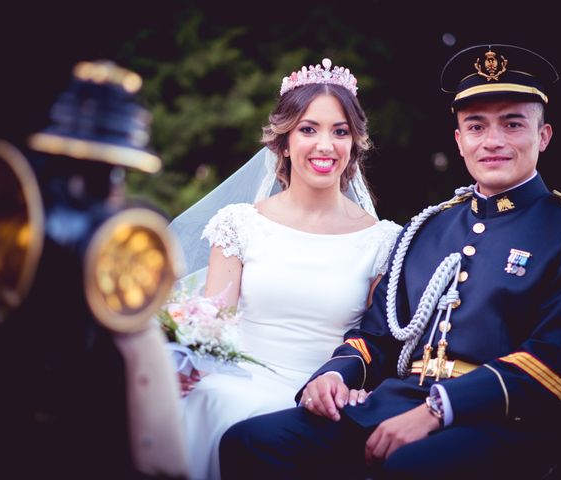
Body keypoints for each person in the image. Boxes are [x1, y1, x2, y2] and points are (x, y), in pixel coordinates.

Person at [219, 44, 561, 479]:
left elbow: (552, 365)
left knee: (408, 466)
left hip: (505, 425)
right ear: (459, 141)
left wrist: (438, 409)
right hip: (399, 402)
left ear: (542, 136)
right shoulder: (427, 229)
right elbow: (376, 334)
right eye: (476, 126)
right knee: (251, 442)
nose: (492, 141)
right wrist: (336, 375)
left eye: (512, 124)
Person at [167, 58, 402, 480]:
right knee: (216, 403)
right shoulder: (239, 225)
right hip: (240, 383)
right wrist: (185, 366)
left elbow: (377, 342)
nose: (325, 145)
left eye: (340, 131)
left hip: (323, 398)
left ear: (354, 143)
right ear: (285, 140)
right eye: (308, 129)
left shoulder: (381, 240)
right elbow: (209, 325)